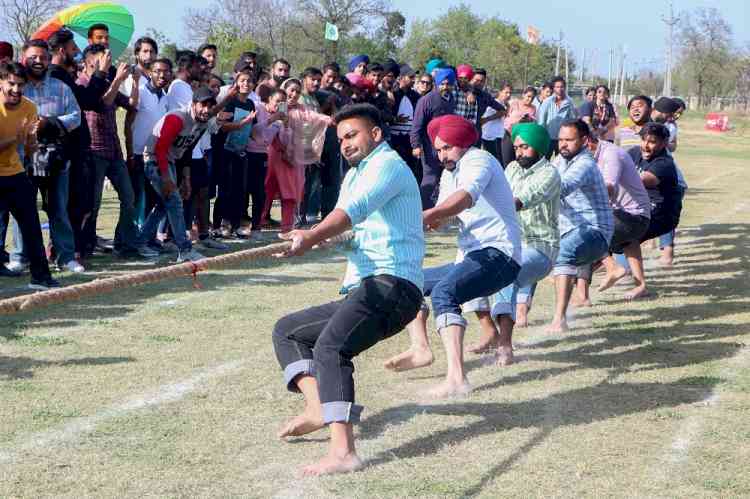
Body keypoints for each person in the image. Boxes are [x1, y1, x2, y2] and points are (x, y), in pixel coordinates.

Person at [272, 103, 424, 476]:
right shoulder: (354, 175)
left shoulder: (388, 165)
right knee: (288, 330)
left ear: (376, 134)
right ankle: (317, 407)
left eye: (352, 135)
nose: (345, 144)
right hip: (368, 286)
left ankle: (343, 453)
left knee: (331, 346)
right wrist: (313, 239)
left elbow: (350, 212)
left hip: (394, 285)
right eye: (340, 139)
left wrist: (314, 234)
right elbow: (350, 232)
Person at [385, 114, 521, 395]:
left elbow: (465, 198)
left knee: (444, 293)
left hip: (500, 254)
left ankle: (457, 379)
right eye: (438, 148)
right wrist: (429, 220)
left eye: (447, 147)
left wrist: (435, 213)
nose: (441, 154)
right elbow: (446, 212)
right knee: (410, 282)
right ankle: (421, 349)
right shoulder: (450, 172)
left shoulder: (479, 160)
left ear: (463, 143)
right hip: (471, 256)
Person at [462, 123, 560, 363]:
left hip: (540, 247)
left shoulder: (550, 173)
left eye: (524, 147)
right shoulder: (512, 168)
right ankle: (489, 331)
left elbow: (517, 201)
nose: (518, 152)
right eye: (516, 147)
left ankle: (505, 344)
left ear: (537, 146)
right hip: (509, 243)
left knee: (506, 272)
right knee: (468, 269)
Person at [9, 39, 82, 274]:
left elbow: (76, 117)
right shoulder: (17, 88)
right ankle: (21, 257)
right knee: (22, 210)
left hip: (56, 160)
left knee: (59, 210)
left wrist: (49, 123)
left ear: (49, 60)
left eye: (42, 57)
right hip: (22, 160)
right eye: (33, 57)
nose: (38, 61)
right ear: (24, 59)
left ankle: (66, 257)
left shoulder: (61, 87)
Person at [141, 86, 230, 262]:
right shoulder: (177, 118)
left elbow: (187, 150)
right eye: (203, 105)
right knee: (174, 202)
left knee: (164, 205)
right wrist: (166, 178)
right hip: (154, 160)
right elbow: (160, 149)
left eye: (210, 106)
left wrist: (186, 179)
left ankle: (140, 241)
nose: (207, 110)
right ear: (194, 104)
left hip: (172, 161)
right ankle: (185, 249)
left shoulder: (202, 122)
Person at [78, 44, 149, 259]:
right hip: (93, 151)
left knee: (129, 198)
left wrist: (135, 81)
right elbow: (100, 103)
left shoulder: (109, 81)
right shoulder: (82, 84)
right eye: (103, 60)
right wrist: (117, 79)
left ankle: (125, 244)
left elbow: (131, 105)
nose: (108, 63)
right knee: (93, 204)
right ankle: (86, 246)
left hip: (114, 151)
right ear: (89, 62)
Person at [600, 123, 682, 299]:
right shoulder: (634, 153)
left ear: (664, 143)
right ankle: (639, 284)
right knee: (625, 237)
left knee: (611, 232)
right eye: (643, 140)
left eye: (652, 142)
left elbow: (641, 180)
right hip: (638, 208)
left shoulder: (664, 163)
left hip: (661, 212)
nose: (645, 145)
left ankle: (576, 275)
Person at [47, 29, 109, 260]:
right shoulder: (56, 75)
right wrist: (101, 73)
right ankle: (67, 251)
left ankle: (71, 250)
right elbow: (88, 100)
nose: (76, 52)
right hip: (68, 151)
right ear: (62, 50)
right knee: (73, 204)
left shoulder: (63, 75)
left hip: (78, 150)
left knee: (80, 204)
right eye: (73, 48)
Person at [547, 119, 613, 332]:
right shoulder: (560, 160)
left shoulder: (585, 163)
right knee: (532, 251)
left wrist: (526, 196)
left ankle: (559, 320)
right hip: (569, 229)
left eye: (569, 140)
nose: (563, 144)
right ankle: (520, 313)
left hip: (596, 231)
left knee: (564, 253)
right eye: (560, 140)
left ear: (584, 141)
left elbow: (563, 187)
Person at [0, 62, 60, 288]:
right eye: (11, 84)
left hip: (15, 172)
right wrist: (16, 138)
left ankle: (41, 277)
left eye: (20, 85)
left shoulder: (29, 107)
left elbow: (29, 149)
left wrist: (32, 140)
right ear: (1, 82)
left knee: (32, 226)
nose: (16, 89)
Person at [579, 134, 651, 303]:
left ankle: (584, 294)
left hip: (634, 217)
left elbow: (609, 187)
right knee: (628, 242)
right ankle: (640, 285)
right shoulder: (591, 156)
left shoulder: (611, 154)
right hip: (630, 216)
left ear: (586, 142)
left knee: (584, 234)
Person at [124, 57, 171, 232]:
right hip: (137, 154)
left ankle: (145, 239)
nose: (162, 75)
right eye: (158, 71)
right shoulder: (141, 92)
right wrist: (129, 153)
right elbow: (128, 124)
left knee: (152, 199)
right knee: (136, 199)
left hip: (154, 156)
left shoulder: (166, 98)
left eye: (166, 71)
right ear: (150, 73)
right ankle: (131, 240)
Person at [410, 67, 456, 209]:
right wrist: (416, 145)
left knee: (446, 178)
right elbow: (416, 125)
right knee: (430, 177)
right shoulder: (426, 100)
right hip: (428, 146)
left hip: (446, 146)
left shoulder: (451, 99)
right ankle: (421, 211)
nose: (445, 87)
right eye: (442, 83)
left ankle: (440, 210)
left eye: (448, 84)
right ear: (436, 83)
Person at [659, 97, 688, 266]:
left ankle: (667, 251)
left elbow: (672, 146)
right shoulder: (659, 123)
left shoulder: (670, 126)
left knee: (666, 211)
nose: (676, 116)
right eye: (675, 112)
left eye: (679, 114)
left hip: (669, 176)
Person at [389, 64, 421, 182]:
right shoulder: (393, 95)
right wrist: (395, 119)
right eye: (410, 77)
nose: (414, 80)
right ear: (401, 77)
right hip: (394, 139)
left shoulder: (416, 96)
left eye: (414, 77)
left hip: (409, 139)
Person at [536, 76, 578, 157]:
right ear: (554, 88)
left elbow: (573, 119)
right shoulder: (547, 101)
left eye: (562, 86)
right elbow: (541, 121)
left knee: (562, 160)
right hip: (548, 138)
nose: (560, 89)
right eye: (557, 87)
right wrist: (541, 136)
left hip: (563, 138)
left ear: (565, 87)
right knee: (544, 160)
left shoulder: (569, 102)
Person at [501, 86, 538, 166]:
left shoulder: (533, 108)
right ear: (523, 95)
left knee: (519, 160)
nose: (530, 99)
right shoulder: (514, 103)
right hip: (509, 135)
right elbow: (506, 116)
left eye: (532, 97)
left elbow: (532, 123)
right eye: (528, 96)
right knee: (506, 160)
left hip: (521, 138)